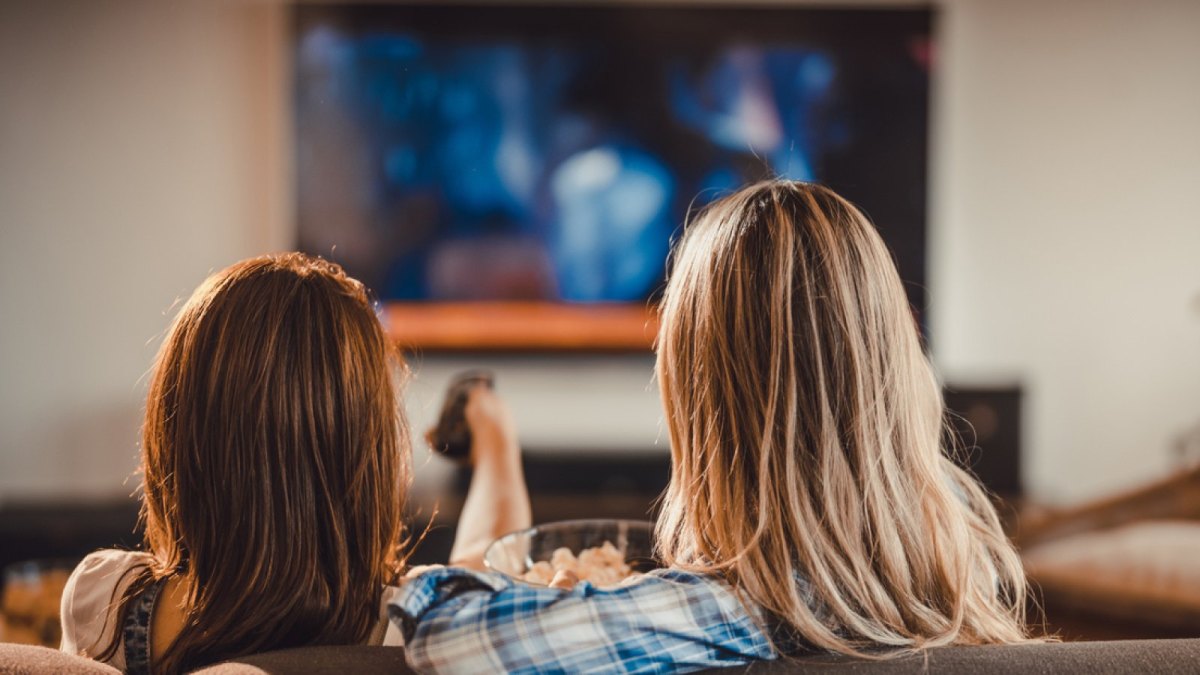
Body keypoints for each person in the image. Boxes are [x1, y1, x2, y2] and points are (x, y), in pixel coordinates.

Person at [391, 181, 1036, 672]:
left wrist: (493, 476)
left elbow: (451, 639)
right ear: (889, 365)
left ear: (701, 403)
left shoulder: (721, 614)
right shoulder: (957, 567)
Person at [58, 253, 531, 673]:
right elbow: (491, 560)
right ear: (369, 452)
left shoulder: (103, 603)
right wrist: (494, 438)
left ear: (177, 435)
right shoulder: (418, 623)